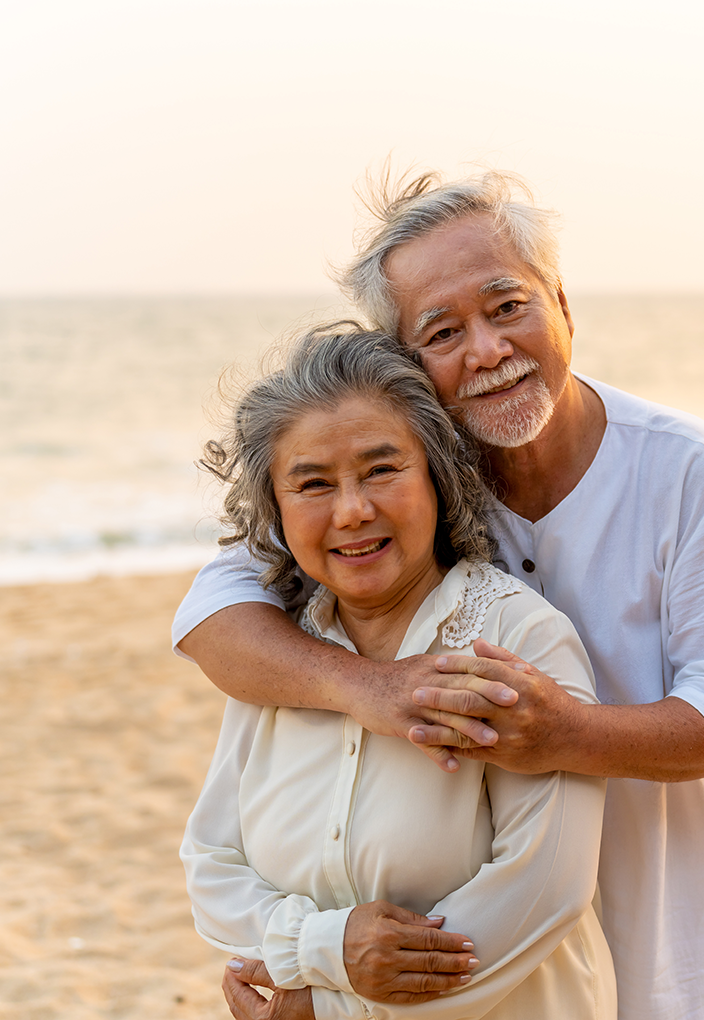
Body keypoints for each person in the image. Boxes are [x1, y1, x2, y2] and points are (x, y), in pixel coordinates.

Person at [174, 172, 704, 1020]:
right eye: (443, 332)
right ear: (407, 365)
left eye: (507, 306)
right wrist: (374, 691)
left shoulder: (691, 474)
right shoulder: (405, 489)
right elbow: (213, 618)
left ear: (562, 305)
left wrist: (563, 733)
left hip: (683, 937)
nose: (485, 350)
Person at [180, 327, 615, 1019]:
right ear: (278, 510)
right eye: (313, 484)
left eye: (381, 470)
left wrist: (326, 1007)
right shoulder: (284, 653)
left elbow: (542, 893)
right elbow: (211, 863)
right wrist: (325, 952)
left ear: (438, 477)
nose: (352, 511)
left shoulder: (515, 637)